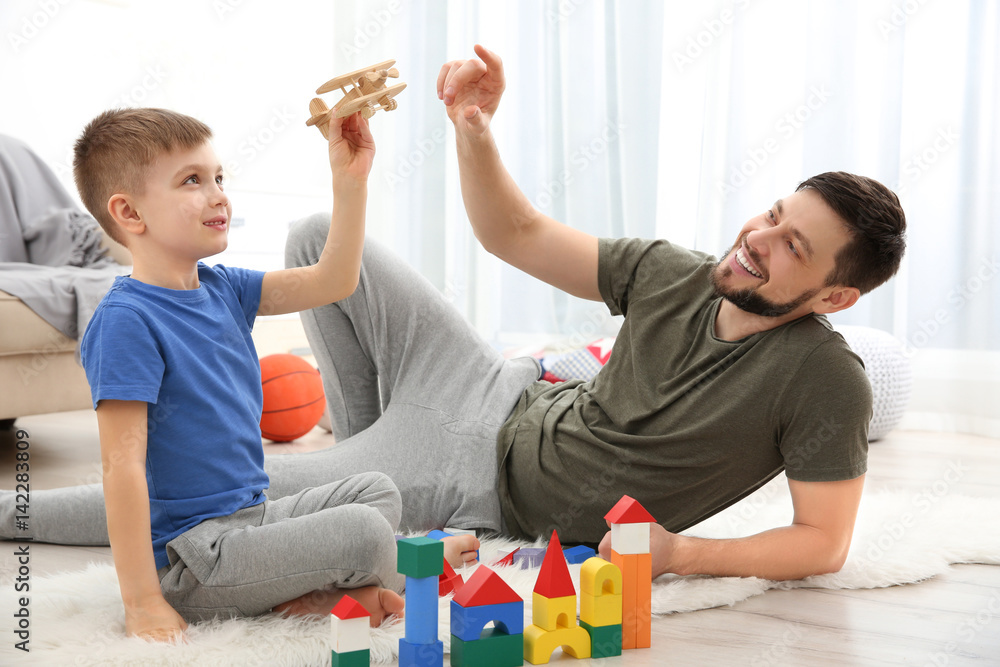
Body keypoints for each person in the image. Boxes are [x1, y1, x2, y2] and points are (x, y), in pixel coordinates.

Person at [2, 46, 905, 586]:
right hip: (490, 383)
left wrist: (680, 556)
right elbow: (513, 232)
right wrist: (475, 129)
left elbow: (822, 543)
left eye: (792, 248)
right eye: (772, 216)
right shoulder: (678, 272)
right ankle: (359, 436)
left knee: (213, 504)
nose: (759, 240)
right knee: (318, 229)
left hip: (476, 474)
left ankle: (13, 509)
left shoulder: (822, 379)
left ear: (835, 296)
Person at [60, 106, 474, 643]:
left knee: (377, 490)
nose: (218, 195)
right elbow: (122, 470)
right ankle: (390, 566)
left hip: (251, 521)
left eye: (219, 178)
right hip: (195, 560)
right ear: (130, 213)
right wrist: (143, 602)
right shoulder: (126, 323)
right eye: (192, 181)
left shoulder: (224, 287)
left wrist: (349, 182)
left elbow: (334, 280)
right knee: (365, 532)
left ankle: (310, 594)